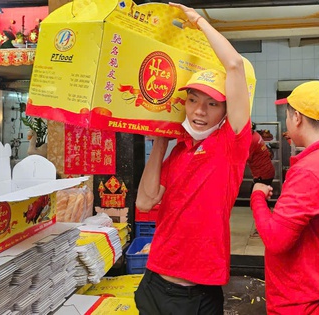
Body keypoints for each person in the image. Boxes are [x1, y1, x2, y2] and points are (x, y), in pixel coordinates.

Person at [134, 2, 251, 314]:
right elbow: (145, 202)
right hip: (153, 282)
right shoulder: (179, 149)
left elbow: (235, 65)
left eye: (212, 104)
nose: (199, 111)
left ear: (226, 112)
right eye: (193, 100)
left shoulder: (231, 145)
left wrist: (198, 20)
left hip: (195, 295)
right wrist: (160, 142)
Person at [250, 81, 319, 314]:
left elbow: (276, 240)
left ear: (297, 117)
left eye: (288, 117)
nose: (287, 124)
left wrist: (257, 197)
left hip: (304, 303)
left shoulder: (311, 170)